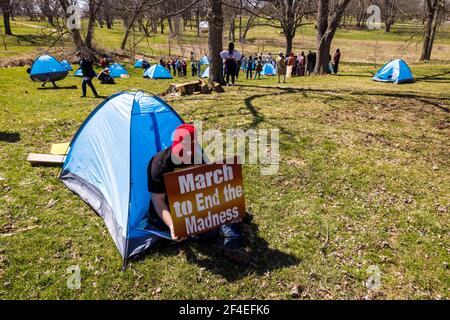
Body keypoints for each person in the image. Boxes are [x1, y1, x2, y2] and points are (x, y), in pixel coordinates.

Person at [147, 124, 249, 265]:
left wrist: (229, 208)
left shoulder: (200, 157)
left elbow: (212, 188)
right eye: (180, 152)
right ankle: (223, 240)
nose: (184, 157)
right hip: (172, 208)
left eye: (189, 152)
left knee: (228, 213)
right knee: (201, 228)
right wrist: (172, 225)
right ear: (174, 145)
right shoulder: (158, 164)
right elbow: (157, 200)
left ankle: (230, 242)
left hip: (196, 202)